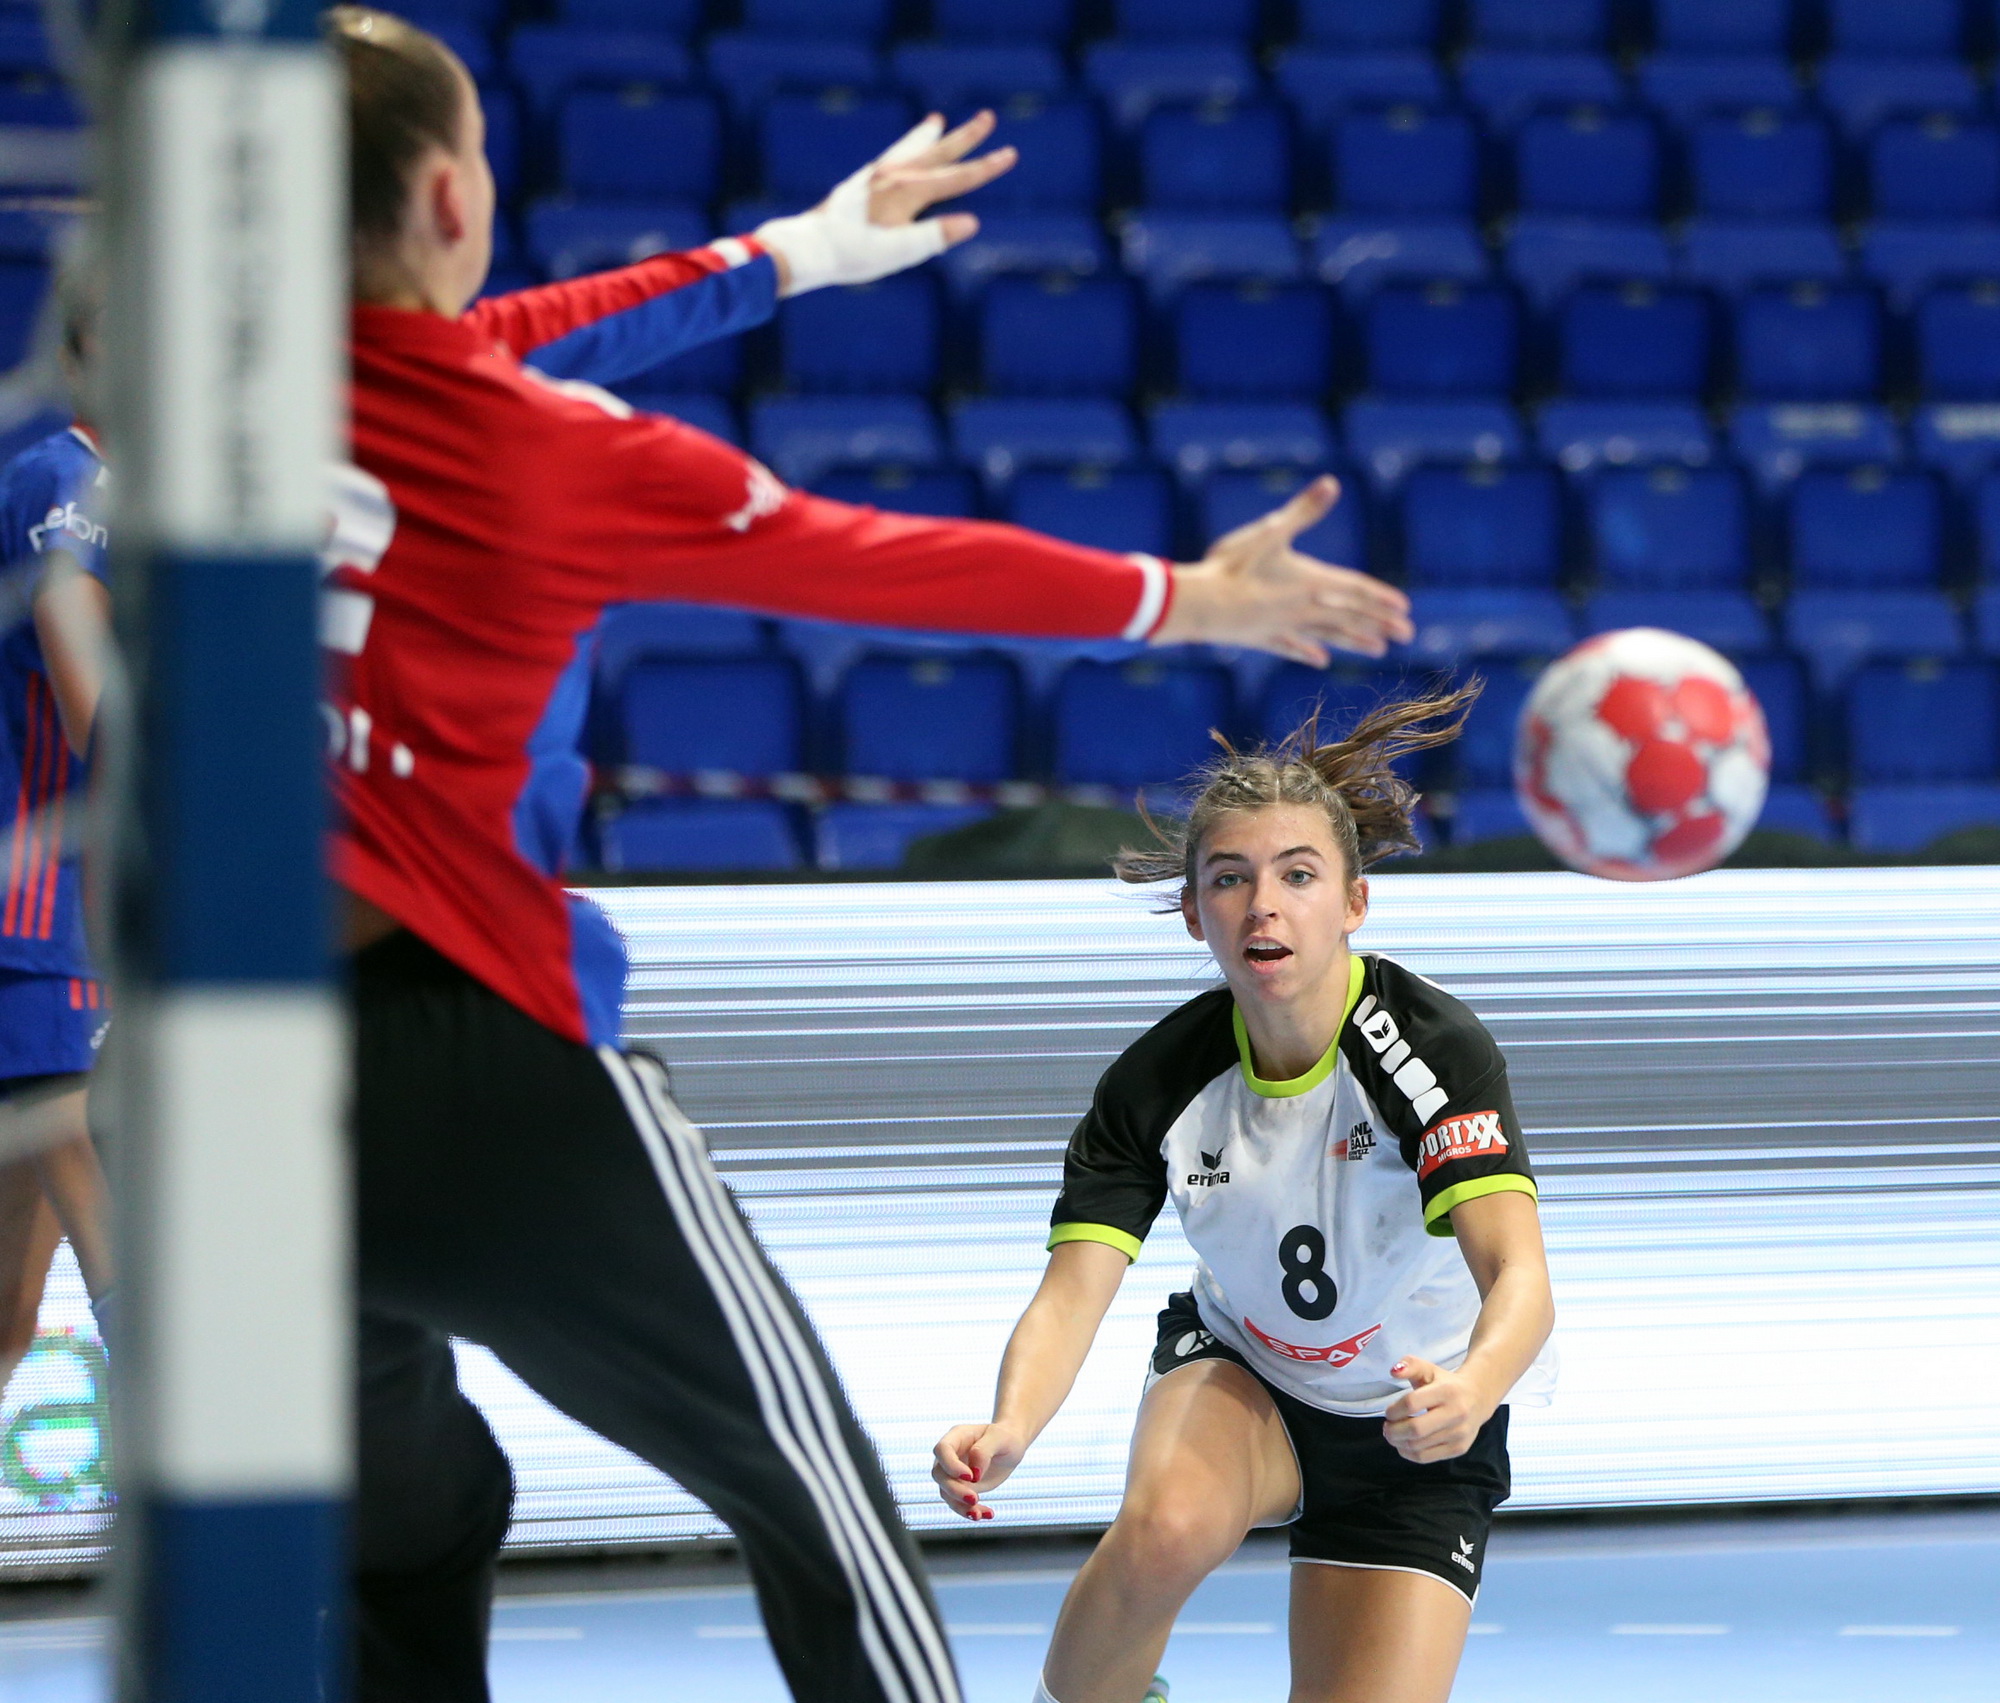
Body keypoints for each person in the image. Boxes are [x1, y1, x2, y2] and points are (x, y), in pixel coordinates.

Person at [324, 10, 1415, 1701]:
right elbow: (870, 556)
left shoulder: (165, 415)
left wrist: (792, 255)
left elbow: (471, 333)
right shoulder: (540, 443)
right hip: (473, 1046)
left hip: (196, 1079)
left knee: (397, 1519)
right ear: (456, 199)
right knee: (812, 1500)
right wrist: (1183, 597)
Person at [931, 692, 1559, 1703]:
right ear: (1194, 911)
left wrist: (1476, 1386)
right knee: (1165, 1527)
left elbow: (1518, 1273)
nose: (1262, 903)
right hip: (1248, 1374)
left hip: (1419, 1420)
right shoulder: (1156, 1081)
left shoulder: (1428, 1050)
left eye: (1297, 874)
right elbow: (1072, 1291)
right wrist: (1010, 1424)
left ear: (1352, 902)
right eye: (1229, 877)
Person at [0, 266, 118, 1396]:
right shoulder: (63, 479)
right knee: (104, 1203)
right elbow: (97, 716)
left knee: (8, 1308)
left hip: (72, 916)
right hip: (25, 916)